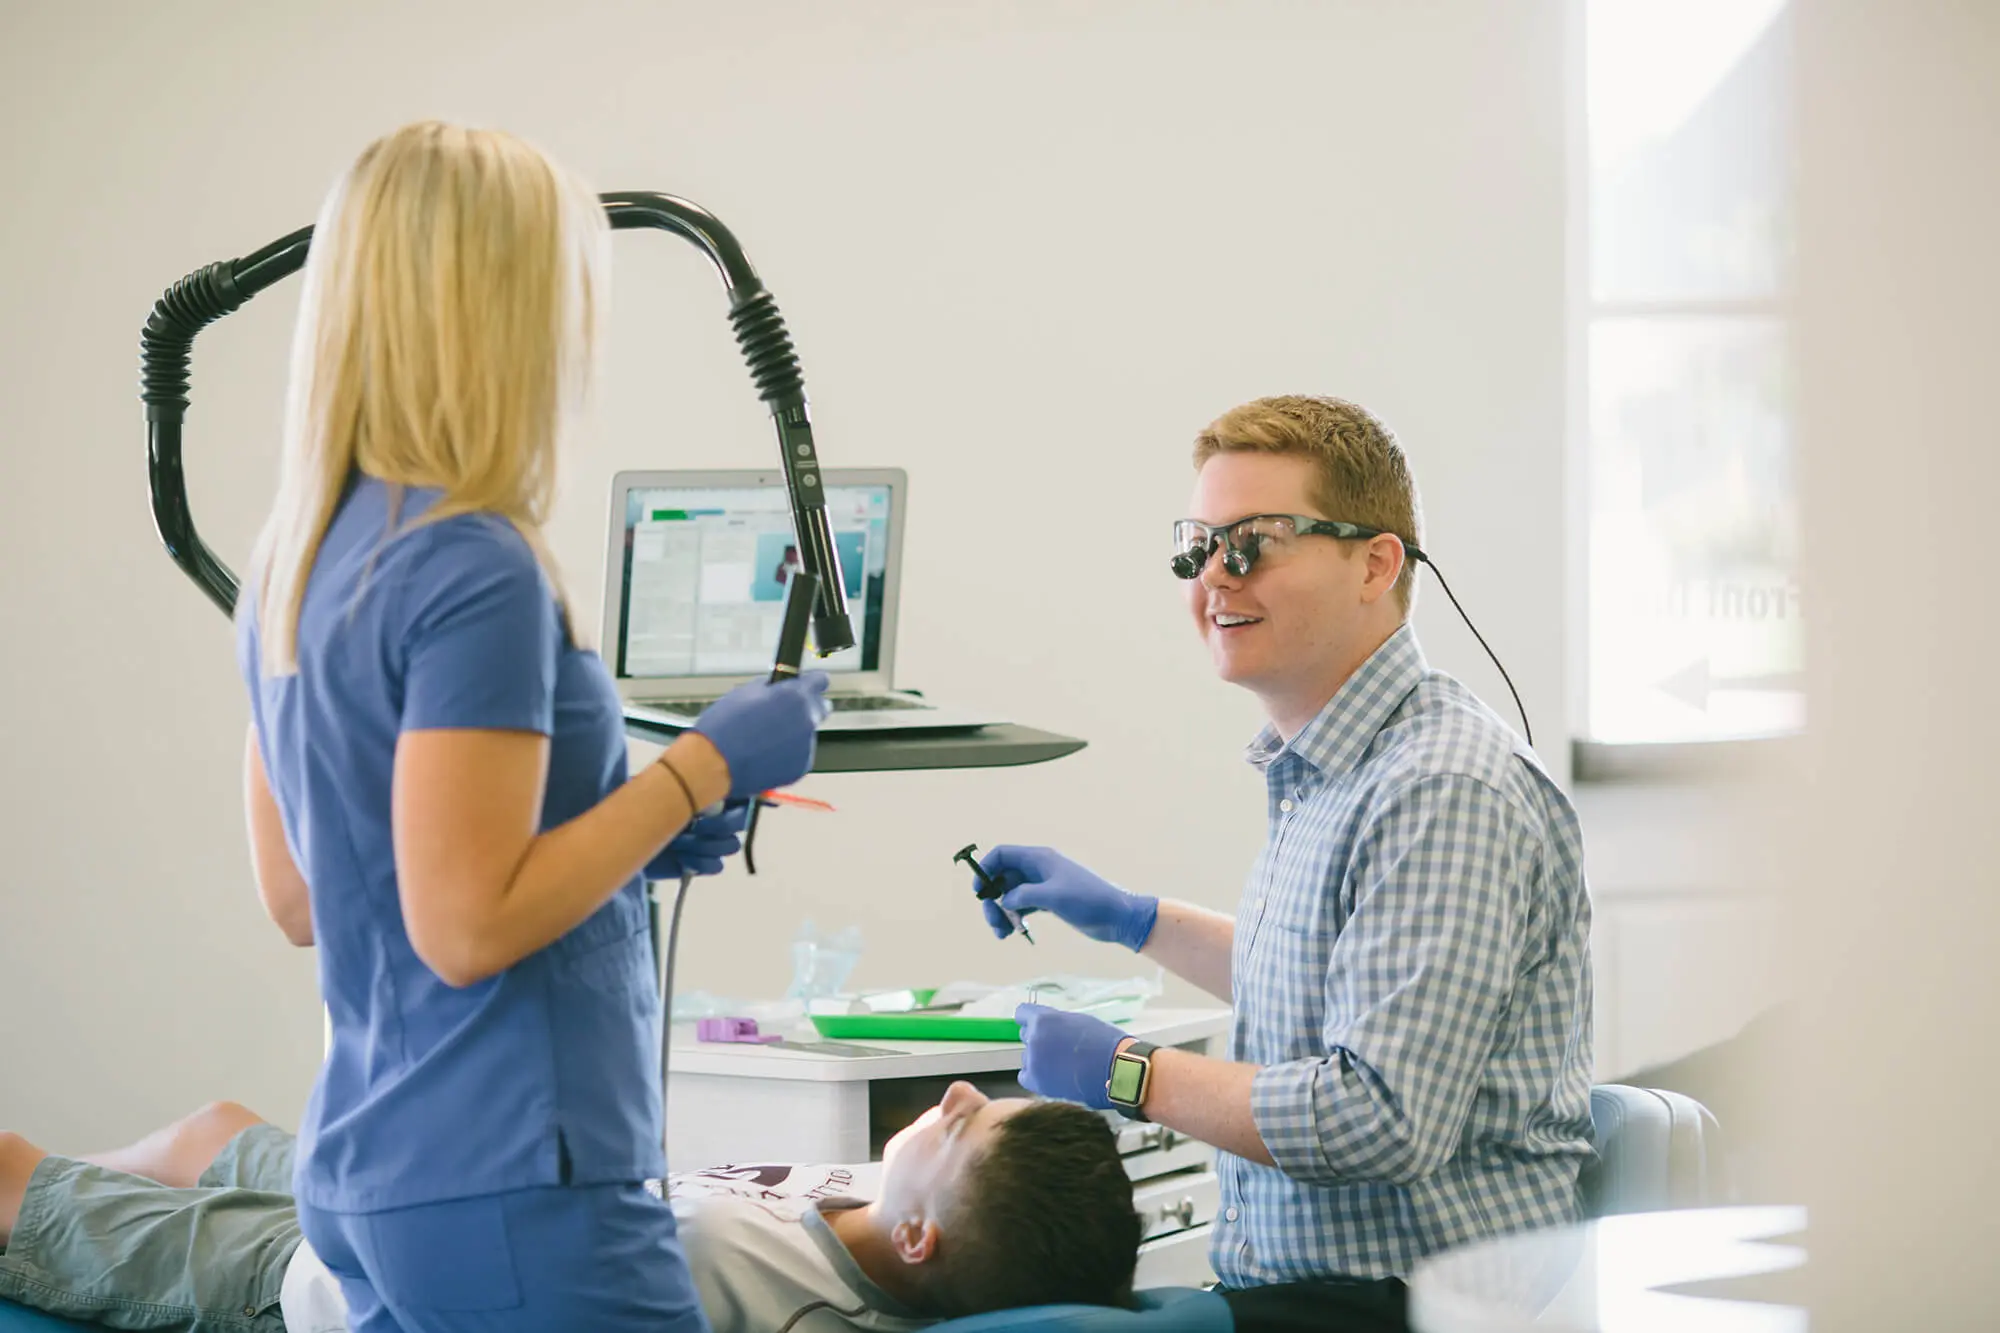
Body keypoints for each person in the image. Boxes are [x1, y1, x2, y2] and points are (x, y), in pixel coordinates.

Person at [234, 121, 831, 1332]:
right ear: (503, 310)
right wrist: (701, 764)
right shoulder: (476, 566)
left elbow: (312, 890)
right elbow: (464, 926)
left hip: (375, 1176)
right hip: (513, 1174)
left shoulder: (293, 560)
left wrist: (613, 836)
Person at [973, 396, 1595, 1333]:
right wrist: (1133, 918)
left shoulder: (1442, 786)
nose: (1216, 577)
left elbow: (1378, 1115)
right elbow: (1341, 985)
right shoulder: (1336, 768)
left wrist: (1130, 1073)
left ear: (1375, 563)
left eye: (1255, 543)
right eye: (1199, 546)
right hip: (1311, 1290)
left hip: (1416, 1302)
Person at [0, 1083, 1141, 1332]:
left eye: (962, 1129)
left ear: (918, 1238)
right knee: (211, 1126)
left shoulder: (736, 1290)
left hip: (333, 1278)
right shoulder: (870, 1229)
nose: (952, 1096)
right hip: (410, 1209)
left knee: (21, 1181)